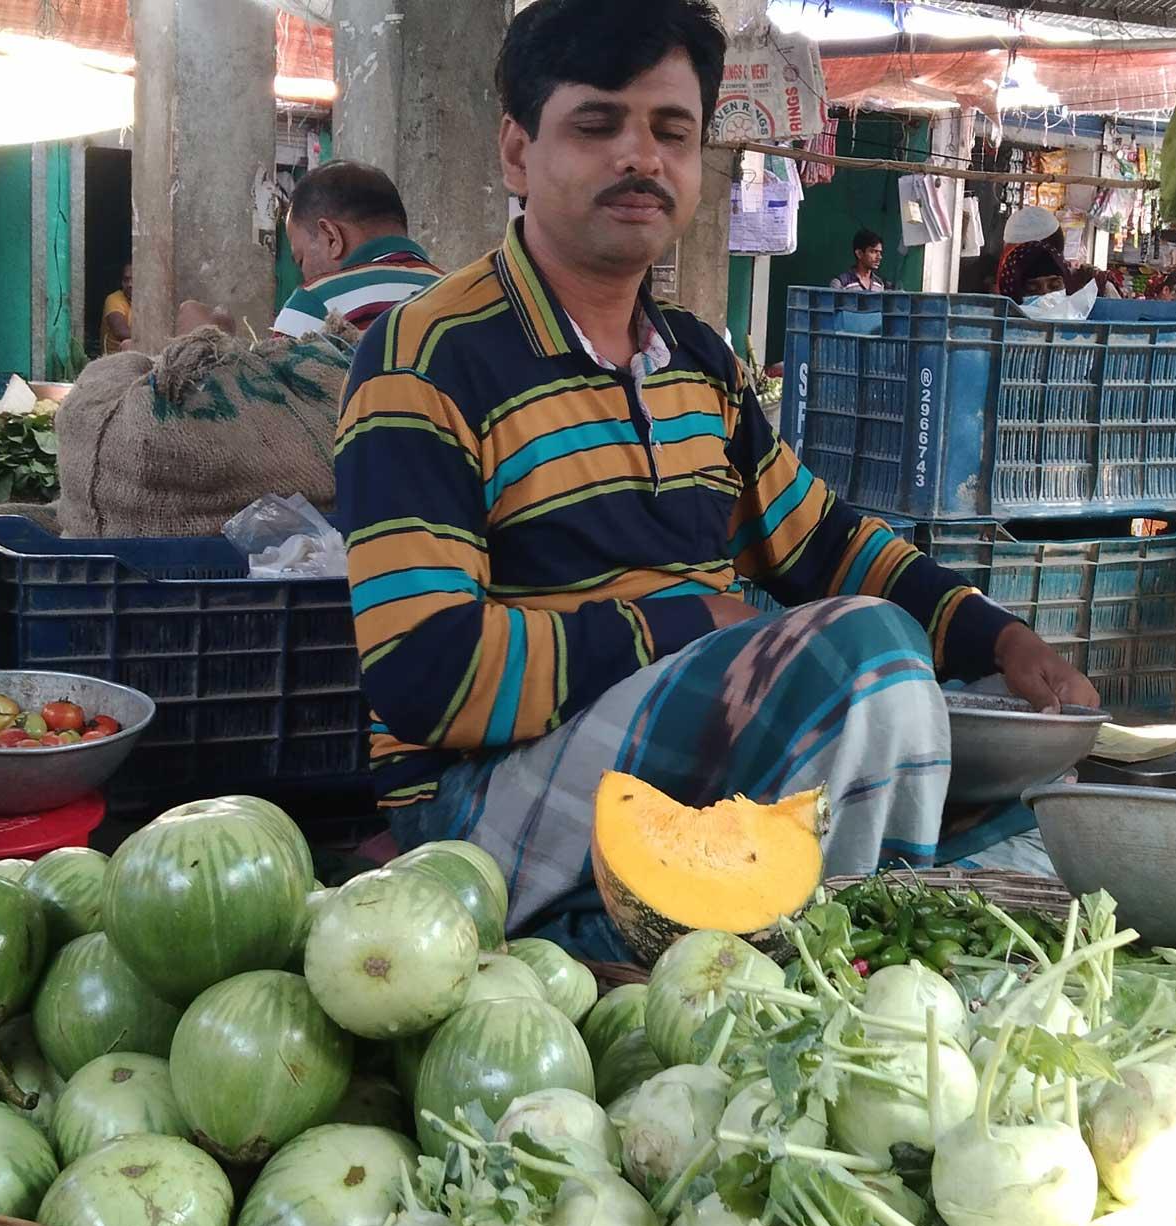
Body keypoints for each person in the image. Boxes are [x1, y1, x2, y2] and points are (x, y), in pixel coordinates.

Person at [334, 0, 1096, 959]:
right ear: (518, 153)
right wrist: (693, 626)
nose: (641, 159)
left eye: (672, 132)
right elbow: (425, 674)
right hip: (476, 805)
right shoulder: (427, 357)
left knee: (1045, 814)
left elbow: (821, 542)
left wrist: (999, 636)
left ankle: (702, 932)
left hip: (670, 760)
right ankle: (832, 968)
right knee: (857, 662)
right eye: (597, 124)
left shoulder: (697, 360)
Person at [271, 160, 443, 338]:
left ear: (332, 238)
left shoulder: (313, 304)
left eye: (301, 260)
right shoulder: (464, 296)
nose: (303, 276)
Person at [101, 262, 134, 353]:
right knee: (128, 344)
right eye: (126, 280)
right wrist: (154, 336)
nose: (129, 284)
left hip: (139, 357)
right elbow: (120, 332)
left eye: (135, 279)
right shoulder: (113, 299)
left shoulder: (147, 301)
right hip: (114, 360)